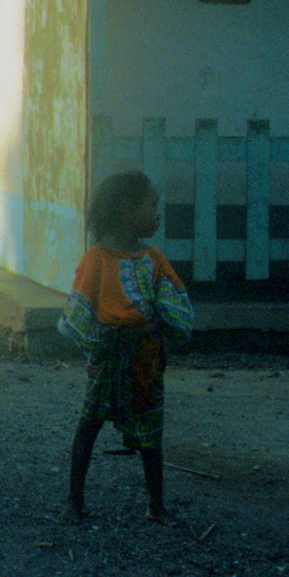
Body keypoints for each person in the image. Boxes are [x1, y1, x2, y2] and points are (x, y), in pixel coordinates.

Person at [58, 170, 194, 525]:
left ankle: (156, 505)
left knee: (151, 433)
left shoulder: (153, 258)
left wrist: (159, 328)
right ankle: (74, 500)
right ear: (125, 210)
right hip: (109, 358)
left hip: (145, 359)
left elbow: (174, 303)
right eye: (152, 206)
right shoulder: (97, 259)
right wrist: (104, 343)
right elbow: (80, 310)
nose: (158, 214)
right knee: (89, 425)